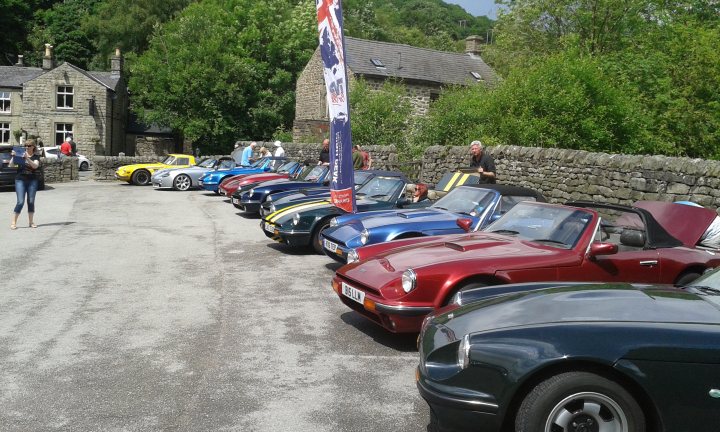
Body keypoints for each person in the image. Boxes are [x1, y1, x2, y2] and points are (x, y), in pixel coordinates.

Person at [10, 139, 41, 229]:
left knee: (31, 201)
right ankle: (13, 222)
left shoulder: (36, 157)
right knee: (20, 201)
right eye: (26, 146)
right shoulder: (20, 154)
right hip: (20, 180)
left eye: (29, 146)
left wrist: (27, 158)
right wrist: (13, 157)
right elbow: (11, 165)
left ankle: (31, 222)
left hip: (32, 180)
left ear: (33, 147)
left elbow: (35, 166)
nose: (27, 147)